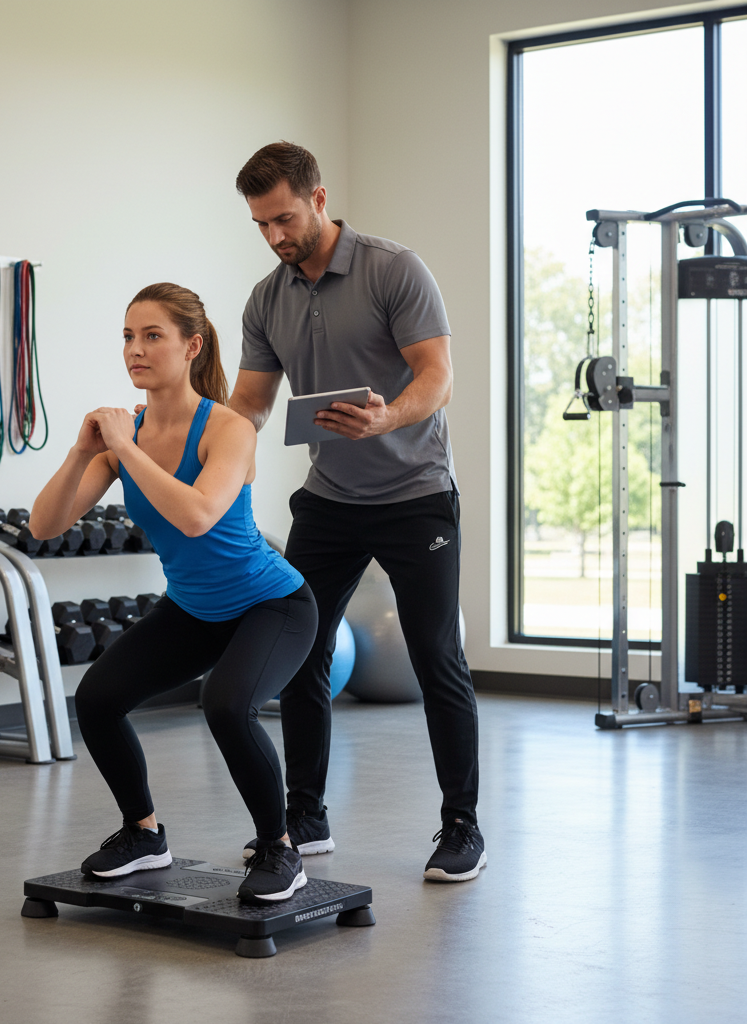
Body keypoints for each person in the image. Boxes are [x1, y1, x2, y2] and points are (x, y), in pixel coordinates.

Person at [229, 141, 484, 882]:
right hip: (330, 500)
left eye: (283, 218)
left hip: (416, 497)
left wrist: (389, 417)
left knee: (438, 658)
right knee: (302, 652)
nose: (275, 237)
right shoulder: (266, 298)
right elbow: (249, 404)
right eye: (260, 225)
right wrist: (208, 470)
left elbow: (436, 377)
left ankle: (461, 826)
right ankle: (305, 816)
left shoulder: (393, 268)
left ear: (317, 197)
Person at [29, 282, 319, 904]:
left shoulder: (230, 428)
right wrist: (84, 452)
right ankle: (144, 833)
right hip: (193, 608)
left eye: (152, 335)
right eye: (128, 337)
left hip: (272, 605)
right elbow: (43, 525)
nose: (135, 349)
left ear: (192, 346)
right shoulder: (122, 440)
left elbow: (197, 516)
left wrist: (125, 448)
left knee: (226, 704)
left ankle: (280, 848)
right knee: (99, 698)